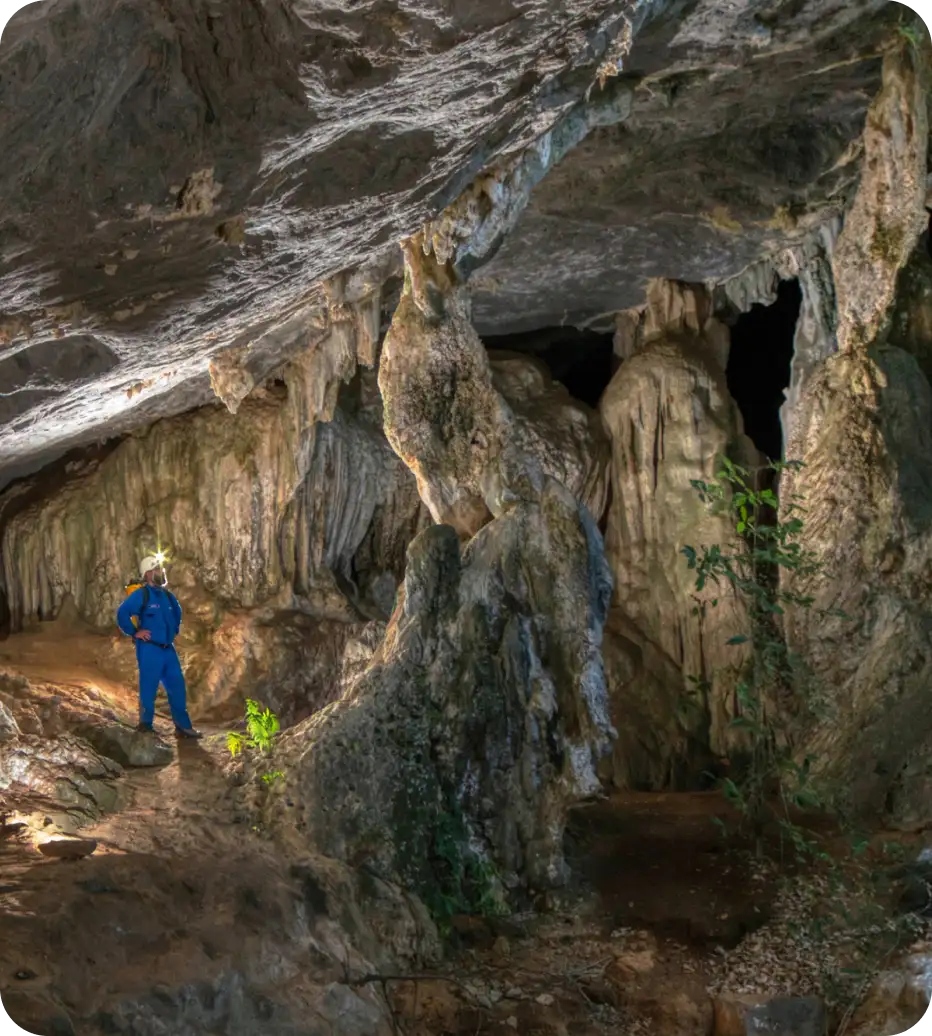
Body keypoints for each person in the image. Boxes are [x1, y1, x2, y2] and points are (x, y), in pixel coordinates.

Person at [116, 555, 202, 739]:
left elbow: (177, 615)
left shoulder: (168, 597)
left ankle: (183, 726)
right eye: (156, 570)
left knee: (177, 686)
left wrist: (172, 632)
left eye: (161, 569)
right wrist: (134, 632)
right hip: (149, 648)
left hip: (167, 649)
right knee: (149, 686)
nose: (161, 572)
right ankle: (145, 725)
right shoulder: (142, 595)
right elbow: (122, 613)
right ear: (147, 574)